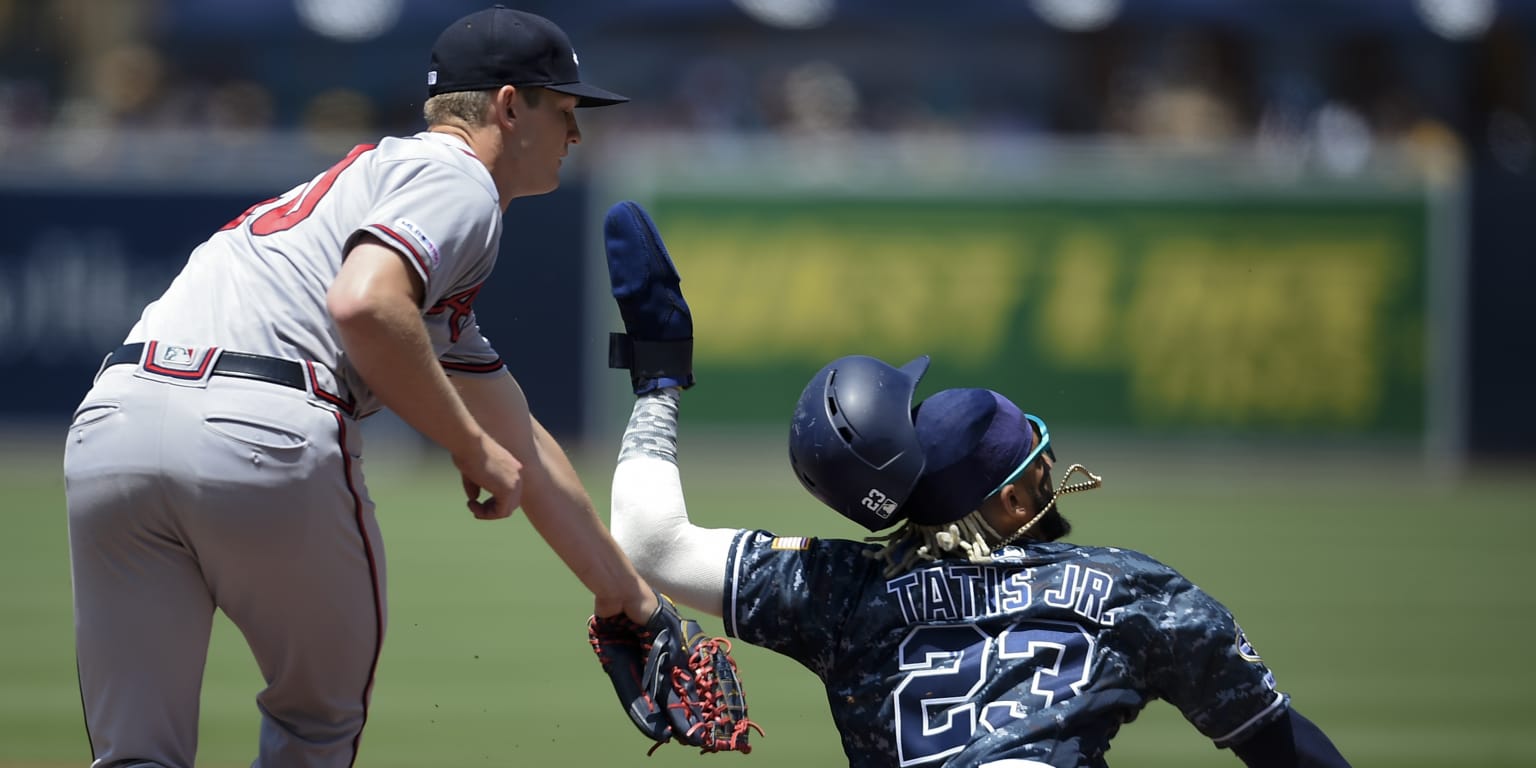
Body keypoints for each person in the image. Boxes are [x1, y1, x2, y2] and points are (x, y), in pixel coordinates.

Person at [61, 7, 659, 767]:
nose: (577, 134)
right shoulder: (459, 179)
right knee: (314, 728)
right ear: (510, 106)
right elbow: (367, 303)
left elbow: (522, 447)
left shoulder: (373, 196)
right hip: (261, 430)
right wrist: (467, 445)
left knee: (137, 754)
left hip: (113, 425)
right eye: (566, 109)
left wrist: (628, 597)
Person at [602, 220, 1352, 767]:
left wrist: (659, 380)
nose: (1049, 463)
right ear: (1016, 505)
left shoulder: (838, 593)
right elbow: (1278, 742)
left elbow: (650, 540)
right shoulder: (1136, 595)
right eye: (1034, 460)